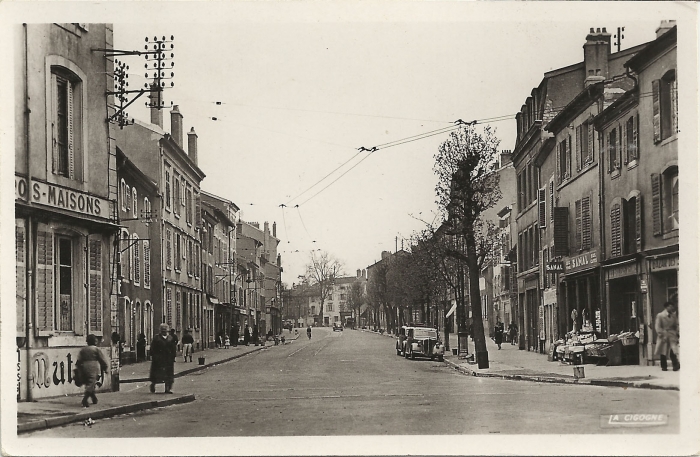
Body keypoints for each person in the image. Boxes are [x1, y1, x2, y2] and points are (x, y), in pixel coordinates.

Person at [76, 334, 109, 408]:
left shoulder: (83, 349)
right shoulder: (96, 349)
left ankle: (94, 398)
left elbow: (79, 360)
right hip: (93, 366)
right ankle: (84, 400)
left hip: (84, 366)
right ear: (94, 341)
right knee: (91, 383)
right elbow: (101, 359)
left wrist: (79, 369)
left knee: (89, 382)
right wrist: (105, 368)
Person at [150, 323, 176, 393]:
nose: (164, 332)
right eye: (162, 331)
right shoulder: (157, 338)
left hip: (168, 359)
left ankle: (167, 388)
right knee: (157, 374)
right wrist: (154, 356)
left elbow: (173, 348)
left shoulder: (170, 338)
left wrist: (173, 356)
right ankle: (153, 385)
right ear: (160, 331)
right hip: (159, 359)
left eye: (165, 331)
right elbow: (152, 348)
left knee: (168, 374)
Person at [654, 301, 680, 371]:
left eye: (672, 306)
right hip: (664, 334)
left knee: (673, 350)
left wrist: (677, 332)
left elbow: (676, 324)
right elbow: (657, 326)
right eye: (670, 306)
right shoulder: (660, 315)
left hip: (672, 334)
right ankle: (664, 366)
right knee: (663, 351)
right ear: (666, 307)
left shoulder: (673, 315)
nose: (672, 308)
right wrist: (661, 334)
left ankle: (675, 365)